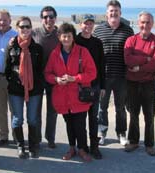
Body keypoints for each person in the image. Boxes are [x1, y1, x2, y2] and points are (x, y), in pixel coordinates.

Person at [44, 23, 96, 162]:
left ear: (73, 37)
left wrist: (75, 78)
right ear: (59, 37)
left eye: (69, 36)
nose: (66, 39)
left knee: (80, 125)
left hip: (78, 96)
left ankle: (83, 149)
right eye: (64, 36)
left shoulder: (82, 52)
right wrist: (56, 79)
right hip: (62, 97)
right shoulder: (55, 54)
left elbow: (92, 73)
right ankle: (72, 148)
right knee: (69, 125)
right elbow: (47, 73)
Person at [93, 0, 134, 146]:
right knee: (102, 107)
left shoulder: (128, 30)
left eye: (116, 11)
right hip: (103, 77)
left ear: (120, 13)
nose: (114, 13)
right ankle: (102, 133)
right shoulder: (98, 30)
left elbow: (132, 51)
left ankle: (121, 133)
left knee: (120, 108)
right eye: (111, 11)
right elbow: (94, 52)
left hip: (122, 77)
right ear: (106, 14)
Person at [123, 11, 155, 156]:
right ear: (138, 23)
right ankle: (133, 141)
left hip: (149, 84)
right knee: (133, 114)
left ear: (152, 24)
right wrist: (147, 59)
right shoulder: (131, 40)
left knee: (149, 115)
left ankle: (149, 144)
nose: (145, 25)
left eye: (148, 22)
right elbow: (128, 60)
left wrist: (139, 66)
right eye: (142, 22)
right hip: (132, 83)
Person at [5, 16, 43, 159]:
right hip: (15, 90)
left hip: (34, 90)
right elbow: (7, 68)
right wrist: (16, 80)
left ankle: (33, 146)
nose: (25, 29)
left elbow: (40, 69)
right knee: (17, 119)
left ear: (31, 28)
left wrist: (33, 83)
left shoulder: (37, 48)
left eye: (27, 26)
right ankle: (20, 146)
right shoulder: (11, 46)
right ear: (17, 28)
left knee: (32, 119)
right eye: (22, 27)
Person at [75, 14, 105, 159]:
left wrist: (103, 86)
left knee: (93, 118)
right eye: (85, 24)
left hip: (94, 86)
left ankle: (94, 146)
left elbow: (101, 65)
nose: (88, 27)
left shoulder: (97, 43)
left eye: (90, 24)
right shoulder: (74, 40)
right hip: (78, 85)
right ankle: (82, 146)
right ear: (80, 25)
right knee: (80, 118)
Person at [32, 6, 59, 149]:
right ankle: (36, 139)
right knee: (36, 111)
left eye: (51, 16)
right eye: (45, 17)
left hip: (54, 79)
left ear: (55, 18)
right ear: (42, 19)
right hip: (37, 78)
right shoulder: (34, 33)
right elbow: (22, 42)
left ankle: (50, 138)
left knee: (52, 111)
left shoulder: (60, 34)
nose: (48, 19)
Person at [0, 9, 18, 146]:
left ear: (10, 20)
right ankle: (3, 136)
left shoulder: (16, 35)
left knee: (15, 109)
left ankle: (16, 137)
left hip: (12, 78)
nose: (2, 22)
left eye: (5, 20)